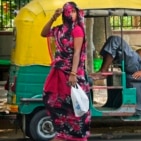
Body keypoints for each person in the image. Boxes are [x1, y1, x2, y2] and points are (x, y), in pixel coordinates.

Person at [41, 2, 90, 141]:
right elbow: (43, 33)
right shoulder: (58, 30)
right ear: (64, 13)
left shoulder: (77, 30)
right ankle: (63, 132)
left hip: (73, 74)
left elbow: (77, 53)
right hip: (59, 73)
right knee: (55, 103)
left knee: (75, 105)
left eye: (74, 11)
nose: (72, 14)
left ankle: (74, 135)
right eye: (69, 11)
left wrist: (73, 73)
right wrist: (52, 17)